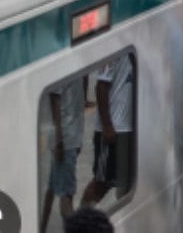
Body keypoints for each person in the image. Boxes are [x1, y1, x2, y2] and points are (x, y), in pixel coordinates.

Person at [80, 53, 134, 207]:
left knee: (128, 180)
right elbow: (101, 87)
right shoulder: (115, 55)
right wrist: (107, 126)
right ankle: (81, 220)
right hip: (113, 129)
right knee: (102, 183)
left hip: (128, 130)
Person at [41, 78, 85, 232]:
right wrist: (59, 140)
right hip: (66, 138)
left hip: (70, 136)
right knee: (66, 196)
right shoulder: (66, 69)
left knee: (53, 188)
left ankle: (41, 227)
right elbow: (55, 99)